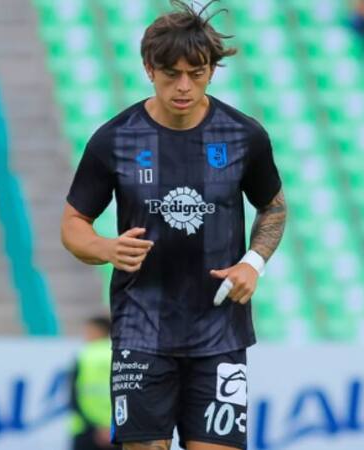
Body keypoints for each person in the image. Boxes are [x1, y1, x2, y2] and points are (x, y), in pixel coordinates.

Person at [60, 1, 287, 449]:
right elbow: (73, 223)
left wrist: (253, 263)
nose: (184, 86)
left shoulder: (244, 136)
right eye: (171, 74)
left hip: (220, 331)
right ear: (149, 68)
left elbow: (274, 207)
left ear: (212, 71)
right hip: (142, 329)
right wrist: (104, 248)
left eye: (196, 73)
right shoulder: (116, 139)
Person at [69, 316, 116, 450]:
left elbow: (73, 397)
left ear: (98, 331)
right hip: (119, 430)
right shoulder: (122, 355)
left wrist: (96, 428)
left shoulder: (84, 355)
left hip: (86, 430)